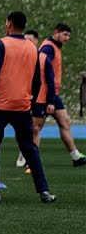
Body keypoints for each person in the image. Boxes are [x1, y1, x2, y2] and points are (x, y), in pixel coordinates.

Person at [0, 11, 56, 204]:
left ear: (9, 24)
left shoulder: (0, 44)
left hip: (0, 105)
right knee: (29, 148)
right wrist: (30, 101)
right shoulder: (32, 49)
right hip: (22, 105)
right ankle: (44, 191)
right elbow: (37, 81)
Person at [28, 24, 84, 168]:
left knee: (65, 121)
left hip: (52, 93)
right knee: (36, 128)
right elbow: (41, 70)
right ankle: (31, 161)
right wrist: (49, 100)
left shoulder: (54, 47)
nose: (67, 38)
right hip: (43, 94)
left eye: (69, 35)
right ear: (56, 33)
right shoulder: (48, 48)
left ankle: (76, 156)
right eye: (65, 34)